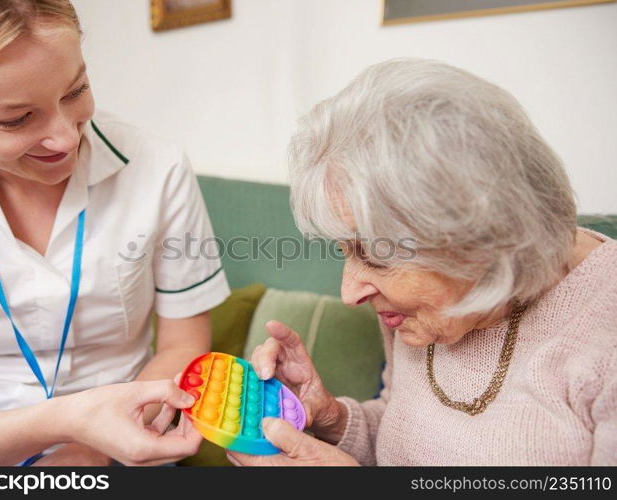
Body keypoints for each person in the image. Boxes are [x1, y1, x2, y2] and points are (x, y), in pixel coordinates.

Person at [229, 59, 617, 466]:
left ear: (484, 237)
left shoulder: (603, 341)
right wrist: (331, 418)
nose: (349, 294)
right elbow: (405, 435)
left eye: (377, 257)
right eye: (345, 252)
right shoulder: (415, 312)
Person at [0, 0, 229, 466]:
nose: (65, 138)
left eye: (76, 90)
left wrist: (92, 450)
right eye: (16, 118)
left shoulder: (157, 166)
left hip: (130, 445)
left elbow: (183, 345)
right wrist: (67, 426)